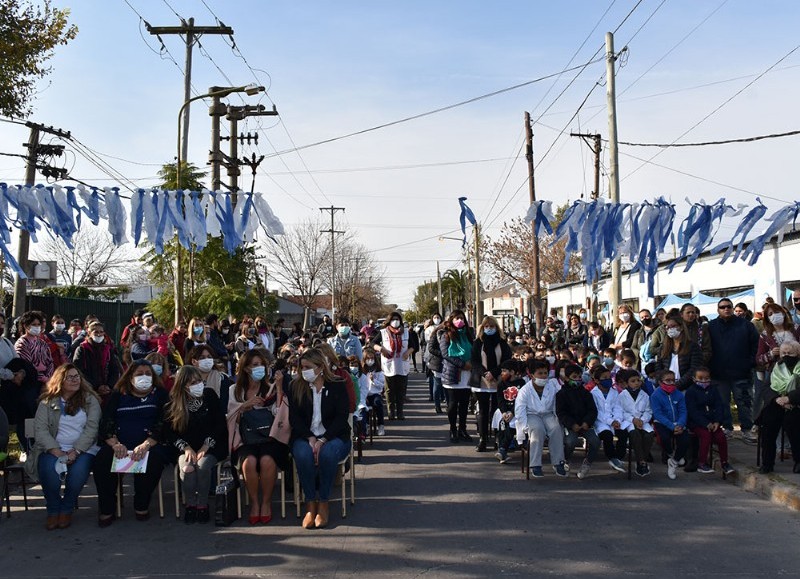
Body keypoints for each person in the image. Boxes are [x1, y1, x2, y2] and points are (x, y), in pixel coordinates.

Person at [93, 360, 169, 526]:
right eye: (139, 373)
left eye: (148, 373)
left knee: (154, 461)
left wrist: (146, 445)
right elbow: (106, 421)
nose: (144, 377)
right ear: (130, 377)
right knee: (102, 461)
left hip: (149, 444)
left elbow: (163, 423)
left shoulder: (161, 394)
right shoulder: (118, 394)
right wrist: (115, 444)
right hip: (119, 444)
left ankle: (141, 505)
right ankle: (107, 508)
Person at [31, 364, 101, 530]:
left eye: (77, 376)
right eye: (70, 377)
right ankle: (53, 510)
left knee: (77, 473)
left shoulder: (91, 400)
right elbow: (40, 430)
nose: (75, 380)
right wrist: (57, 451)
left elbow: (92, 428)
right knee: (49, 473)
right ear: (60, 381)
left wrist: (75, 451)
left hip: (83, 449)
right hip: (53, 448)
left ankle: (67, 508)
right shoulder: (47, 402)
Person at [289, 349, 351, 529]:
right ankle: (310, 504)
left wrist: (323, 439)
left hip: (334, 436)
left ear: (320, 367)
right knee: (302, 454)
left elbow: (341, 417)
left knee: (328, 454)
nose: (303, 371)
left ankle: (323, 502)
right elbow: (294, 418)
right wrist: (310, 438)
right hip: (304, 436)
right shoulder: (296, 386)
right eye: (302, 367)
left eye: (308, 367)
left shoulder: (338, 384)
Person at [226, 350, 288, 524]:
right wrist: (244, 406)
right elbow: (230, 418)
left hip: (269, 437)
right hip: (246, 438)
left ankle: (266, 502)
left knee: (267, 460)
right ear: (246, 368)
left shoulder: (269, 388)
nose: (259, 368)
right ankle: (254, 503)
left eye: (262, 364)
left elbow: (280, 415)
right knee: (249, 462)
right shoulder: (234, 390)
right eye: (255, 365)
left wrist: (279, 387)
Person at [162, 365, 227, 524]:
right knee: (188, 468)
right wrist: (185, 448)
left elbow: (220, 424)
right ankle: (191, 504)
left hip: (212, 446)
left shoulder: (209, 395)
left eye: (199, 381)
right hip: (185, 447)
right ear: (182, 385)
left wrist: (206, 445)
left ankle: (202, 505)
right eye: (192, 383)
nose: (198, 384)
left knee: (203, 465)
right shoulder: (173, 403)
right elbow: (169, 432)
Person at [708, 298, 759, 441]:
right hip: (719, 373)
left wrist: (749, 362)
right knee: (722, 403)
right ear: (718, 310)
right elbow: (706, 347)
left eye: (729, 306)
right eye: (722, 307)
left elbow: (756, 345)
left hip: (741, 372)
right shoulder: (711, 326)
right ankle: (727, 429)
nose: (726, 309)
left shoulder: (746, 325)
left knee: (744, 402)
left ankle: (747, 429)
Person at [515, 359, 567, 477]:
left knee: (556, 429)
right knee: (537, 430)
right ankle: (535, 465)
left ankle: (558, 462)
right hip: (531, 415)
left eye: (545, 373)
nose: (544, 376)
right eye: (540, 373)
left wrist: (557, 418)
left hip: (548, 414)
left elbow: (557, 404)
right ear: (532, 375)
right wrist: (523, 428)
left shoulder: (552, 387)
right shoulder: (525, 390)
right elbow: (519, 410)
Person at [757, 341, 800, 474]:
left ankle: (799, 460)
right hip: (777, 401)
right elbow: (766, 388)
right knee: (768, 424)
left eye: (790, 353)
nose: (786, 355)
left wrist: (789, 398)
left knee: (794, 424)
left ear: (797, 354)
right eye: (784, 353)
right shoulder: (776, 367)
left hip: (796, 403)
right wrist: (777, 399)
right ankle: (767, 463)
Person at [471, 316, 512, 452]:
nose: (489, 329)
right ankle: (482, 439)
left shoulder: (502, 343)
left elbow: (506, 360)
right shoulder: (478, 342)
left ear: (496, 328)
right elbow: (474, 361)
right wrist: (485, 373)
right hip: (481, 381)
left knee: (498, 410)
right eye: (486, 327)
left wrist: (493, 373)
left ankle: (497, 437)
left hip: (498, 380)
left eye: (492, 326)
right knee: (483, 411)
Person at [685, 366, 735, 476]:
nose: (704, 381)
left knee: (721, 437)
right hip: (697, 423)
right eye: (700, 378)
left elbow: (719, 406)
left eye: (706, 378)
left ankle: (724, 463)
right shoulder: (691, 392)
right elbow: (693, 411)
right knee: (705, 436)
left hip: (713, 422)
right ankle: (702, 463)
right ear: (694, 379)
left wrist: (717, 421)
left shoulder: (713, 389)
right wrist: (705, 423)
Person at [755, 303, 799, 420]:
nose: (774, 315)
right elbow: (759, 359)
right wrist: (770, 354)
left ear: (783, 313)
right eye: (770, 314)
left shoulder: (796, 328)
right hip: (775, 371)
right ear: (767, 318)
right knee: (773, 402)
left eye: (776, 312)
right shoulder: (764, 335)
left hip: (796, 369)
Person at [556, 363, 600, 479]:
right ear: (566, 378)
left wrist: (587, 422)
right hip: (571, 425)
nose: (578, 379)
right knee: (570, 442)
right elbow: (561, 413)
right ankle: (566, 459)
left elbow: (592, 410)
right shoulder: (561, 394)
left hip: (585, 424)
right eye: (574, 377)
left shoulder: (586, 393)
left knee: (595, 441)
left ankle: (587, 463)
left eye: (579, 376)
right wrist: (571, 424)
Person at [439, 310, 474, 443]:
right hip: (452, 374)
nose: (459, 320)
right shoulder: (446, 335)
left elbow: (474, 350)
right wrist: (462, 364)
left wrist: (471, 363)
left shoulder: (468, 334)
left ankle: (462, 429)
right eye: (456, 318)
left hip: (467, 375)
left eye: (461, 318)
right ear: (451, 320)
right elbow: (445, 354)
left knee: (464, 404)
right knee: (453, 405)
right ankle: (453, 429)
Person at [371, 312, 413, 420]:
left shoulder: (406, 332)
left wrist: (408, 351)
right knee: (389, 390)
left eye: (397, 319)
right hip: (389, 364)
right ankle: (391, 411)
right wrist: (381, 349)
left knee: (401, 389)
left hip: (402, 364)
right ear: (389, 321)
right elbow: (372, 343)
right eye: (393, 319)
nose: (395, 321)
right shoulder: (383, 332)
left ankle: (400, 411)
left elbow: (414, 345)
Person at [650, 369, 689, 480]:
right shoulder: (655, 395)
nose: (671, 383)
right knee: (664, 437)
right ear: (661, 382)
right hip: (663, 423)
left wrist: (680, 424)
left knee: (685, 439)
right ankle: (671, 454)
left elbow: (683, 410)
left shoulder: (679, 394)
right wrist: (672, 426)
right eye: (668, 380)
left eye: (673, 380)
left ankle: (674, 461)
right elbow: (658, 414)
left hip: (678, 423)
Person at [616, 369, 655, 476]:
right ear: (626, 383)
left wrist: (642, 420)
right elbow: (620, 411)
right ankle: (642, 462)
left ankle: (640, 460)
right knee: (635, 434)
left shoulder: (645, 395)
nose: (636, 383)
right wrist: (633, 419)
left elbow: (648, 410)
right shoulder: (622, 395)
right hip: (629, 422)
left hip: (642, 421)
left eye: (638, 380)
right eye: (633, 381)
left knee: (649, 435)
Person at [72, 322, 121, 403]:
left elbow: (115, 369)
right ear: (89, 333)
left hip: (108, 391)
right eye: (96, 332)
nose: (99, 334)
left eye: (101, 332)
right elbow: (78, 371)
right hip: (88, 391)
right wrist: (97, 386)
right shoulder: (82, 349)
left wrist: (109, 385)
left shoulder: (108, 349)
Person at [591, 367, 627, 473]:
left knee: (623, 433)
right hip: (601, 422)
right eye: (604, 378)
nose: (608, 380)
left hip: (615, 420)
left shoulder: (615, 392)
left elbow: (618, 408)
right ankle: (612, 458)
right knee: (607, 435)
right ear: (597, 381)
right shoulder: (593, 394)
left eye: (609, 377)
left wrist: (617, 420)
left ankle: (619, 457)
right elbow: (597, 412)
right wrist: (610, 422)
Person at [654, 315, 703, 391]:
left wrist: (677, 385)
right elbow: (658, 367)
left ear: (681, 327)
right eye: (667, 327)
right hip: (666, 388)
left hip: (686, 388)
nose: (670, 329)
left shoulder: (693, 347)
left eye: (672, 326)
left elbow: (694, 369)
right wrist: (664, 384)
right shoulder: (663, 347)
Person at [492, 359, 524, 464]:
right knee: (502, 425)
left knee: (511, 426)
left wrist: (512, 412)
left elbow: (521, 400)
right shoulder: (501, 384)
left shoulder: (521, 383)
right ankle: (502, 450)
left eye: (504, 371)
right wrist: (504, 412)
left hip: (517, 411)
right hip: (504, 411)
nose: (502, 373)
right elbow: (500, 399)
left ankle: (502, 450)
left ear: (512, 372)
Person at [189, 344, 231, 413]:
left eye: (209, 357)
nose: (206, 360)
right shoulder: (188, 379)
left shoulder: (222, 378)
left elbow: (224, 405)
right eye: (202, 358)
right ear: (194, 361)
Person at [362, 351, 386, 436]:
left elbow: (381, 385)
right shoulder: (362, 371)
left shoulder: (378, 371)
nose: (370, 360)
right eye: (368, 358)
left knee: (377, 403)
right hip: (364, 395)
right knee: (363, 406)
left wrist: (373, 380)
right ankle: (366, 425)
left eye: (372, 358)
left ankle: (381, 425)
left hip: (375, 394)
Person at [425, 314, 446, 414]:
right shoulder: (435, 333)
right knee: (437, 384)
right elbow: (431, 348)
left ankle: (448, 403)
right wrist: (442, 354)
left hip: (449, 362)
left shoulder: (451, 333)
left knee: (447, 385)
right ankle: (437, 406)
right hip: (437, 362)